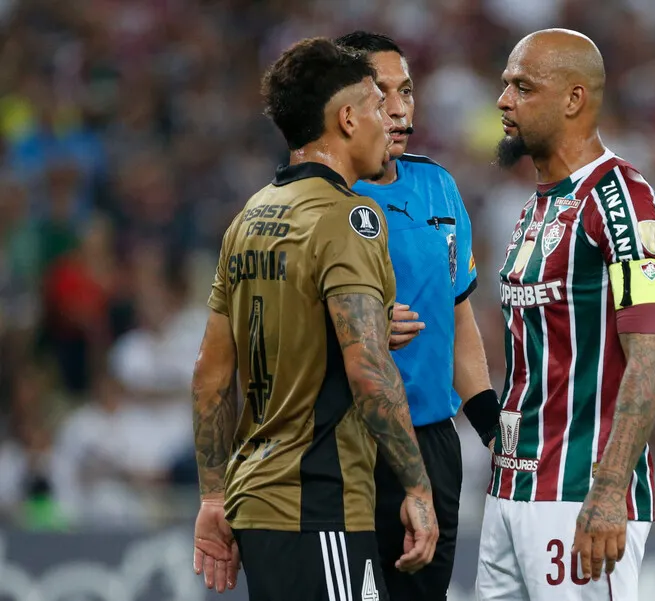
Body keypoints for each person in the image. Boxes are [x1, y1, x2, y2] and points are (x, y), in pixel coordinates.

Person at [189, 37, 439, 601]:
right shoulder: (349, 218)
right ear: (348, 118)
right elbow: (369, 371)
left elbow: (210, 373)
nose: (389, 118)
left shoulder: (250, 216)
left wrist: (212, 497)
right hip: (318, 500)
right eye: (377, 105)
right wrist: (417, 488)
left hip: (255, 499)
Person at [476, 29, 655, 601]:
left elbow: (652, 352)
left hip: (579, 499)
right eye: (505, 84)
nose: (503, 100)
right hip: (511, 492)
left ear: (574, 98)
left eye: (523, 87)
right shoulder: (537, 206)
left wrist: (611, 489)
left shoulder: (624, 202)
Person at [334, 31, 501, 601]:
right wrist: (361, 333)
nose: (400, 107)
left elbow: (459, 321)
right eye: (382, 93)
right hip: (349, 442)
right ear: (345, 107)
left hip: (433, 443)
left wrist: (491, 427)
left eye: (407, 90)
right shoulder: (322, 199)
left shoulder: (438, 186)